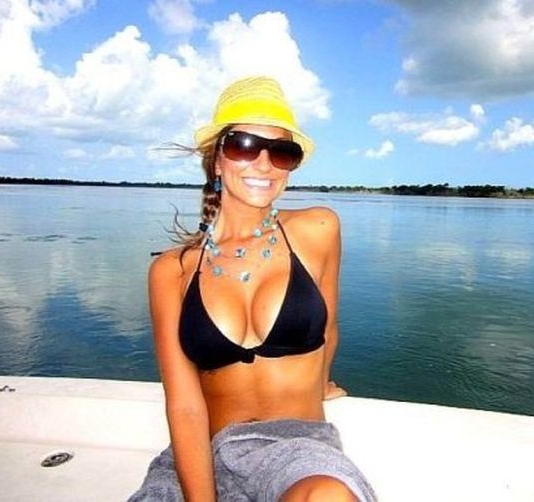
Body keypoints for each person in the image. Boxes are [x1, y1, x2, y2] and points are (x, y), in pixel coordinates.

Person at [129, 76, 376, 501]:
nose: (264, 164)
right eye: (244, 145)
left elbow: (328, 329)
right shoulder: (172, 271)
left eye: (282, 152)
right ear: (216, 160)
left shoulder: (318, 229)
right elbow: (185, 406)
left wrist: (319, 385)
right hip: (206, 453)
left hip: (297, 450)